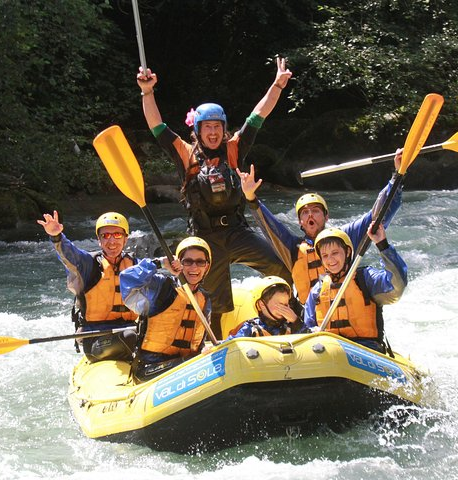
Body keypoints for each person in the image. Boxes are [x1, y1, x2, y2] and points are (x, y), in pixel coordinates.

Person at [136, 57, 293, 339]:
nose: (212, 132)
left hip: (237, 232)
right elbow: (157, 126)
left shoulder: (234, 149)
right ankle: (218, 346)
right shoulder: (185, 153)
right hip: (205, 237)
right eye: (206, 127)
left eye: (217, 127)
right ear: (197, 131)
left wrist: (277, 86)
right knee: (217, 303)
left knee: (281, 266)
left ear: (223, 129)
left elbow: (258, 116)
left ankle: (290, 322)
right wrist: (148, 92)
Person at [237, 149, 403, 305]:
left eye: (315, 211)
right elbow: (270, 226)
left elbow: (377, 216)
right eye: (304, 213)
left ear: (326, 216)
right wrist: (251, 198)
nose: (310, 215)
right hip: (312, 319)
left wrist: (397, 176)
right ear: (300, 221)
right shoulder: (292, 248)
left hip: (346, 310)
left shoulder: (345, 237)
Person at [37, 210, 138, 362]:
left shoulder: (135, 265)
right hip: (95, 338)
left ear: (126, 238)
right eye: (105, 236)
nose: (111, 241)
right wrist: (56, 237)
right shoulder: (88, 264)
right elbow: (69, 254)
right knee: (131, 336)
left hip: (130, 328)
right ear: (99, 240)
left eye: (117, 235)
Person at [120, 236, 213, 381]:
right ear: (179, 263)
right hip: (151, 367)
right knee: (187, 364)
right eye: (187, 261)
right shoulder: (161, 287)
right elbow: (126, 279)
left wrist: (203, 350)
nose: (194, 267)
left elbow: (198, 340)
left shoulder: (204, 299)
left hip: (188, 366)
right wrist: (161, 262)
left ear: (206, 266)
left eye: (200, 262)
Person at [303, 225, 407, 353]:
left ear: (347, 252)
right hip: (331, 349)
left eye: (335, 253)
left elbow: (397, 287)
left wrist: (382, 245)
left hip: (367, 350)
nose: (330, 260)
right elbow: (307, 327)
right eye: (325, 255)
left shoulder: (365, 278)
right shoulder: (318, 290)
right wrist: (313, 331)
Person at [226, 276, 305, 339]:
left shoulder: (293, 327)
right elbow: (228, 347)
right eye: (280, 305)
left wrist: (296, 322)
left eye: (286, 305)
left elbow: (311, 340)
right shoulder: (249, 329)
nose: (285, 309)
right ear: (262, 304)